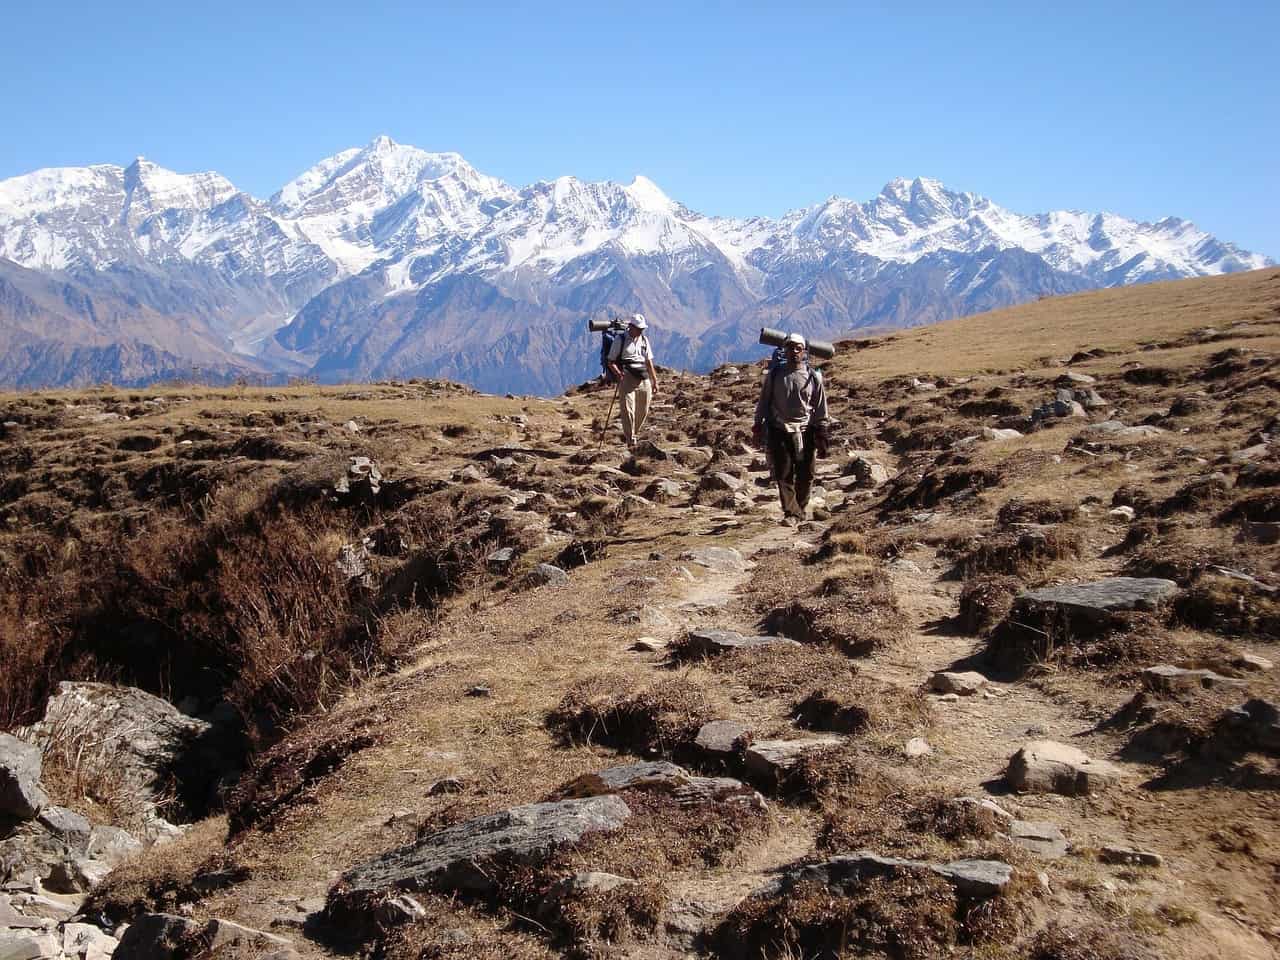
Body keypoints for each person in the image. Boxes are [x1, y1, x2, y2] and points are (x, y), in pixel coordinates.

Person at [753, 332, 829, 525]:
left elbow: (820, 406)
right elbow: (764, 401)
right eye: (790, 347)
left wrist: (822, 431)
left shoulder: (813, 377)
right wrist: (758, 425)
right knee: (783, 473)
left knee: (806, 473)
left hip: (806, 430)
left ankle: (800, 508)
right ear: (784, 350)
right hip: (780, 429)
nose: (794, 351)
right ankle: (791, 513)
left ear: (804, 351)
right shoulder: (776, 374)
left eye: (798, 348)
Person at [607, 314, 659, 448]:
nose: (641, 331)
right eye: (639, 328)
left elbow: (649, 361)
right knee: (628, 410)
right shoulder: (621, 339)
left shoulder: (644, 340)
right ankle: (631, 440)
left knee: (644, 410)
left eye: (642, 328)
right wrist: (618, 374)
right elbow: (611, 361)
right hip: (627, 378)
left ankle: (633, 433)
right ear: (631, 327)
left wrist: (655, 380)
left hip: (643, 378)